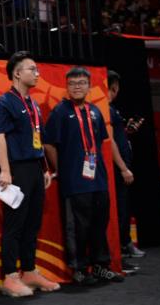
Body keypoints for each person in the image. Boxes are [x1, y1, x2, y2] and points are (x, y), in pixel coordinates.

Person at [44, 67, 123, 285]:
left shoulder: (96, 111)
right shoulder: (60, 112)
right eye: (72, 83)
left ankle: (101, 266)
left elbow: (101, 142)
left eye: (81, 83)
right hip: (74, 182)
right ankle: (79, 268)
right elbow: (48, 144)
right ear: (67, 87)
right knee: (77, 227)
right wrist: (62, 169)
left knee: (99, 224)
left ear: (89, 86)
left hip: (98, 180)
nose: (77, 87)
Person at [0, 51, 59, 297]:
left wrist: (45, 168)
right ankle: (10, 276)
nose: (37, 73)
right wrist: (5, 170)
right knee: (15, 224)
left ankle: (29, 271)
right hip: (17, 169)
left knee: (33, 223)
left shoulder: (34, 105)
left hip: (35, 169)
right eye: (32, 69)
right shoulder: (4, 103)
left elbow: (37, 139)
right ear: (17, 73)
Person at [107, 71, 146, 267]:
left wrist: (127, 130)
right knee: (119, 211)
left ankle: (124, 247)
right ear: (114, 88)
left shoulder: (113, 110)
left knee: (123, 209)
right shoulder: (104, 109)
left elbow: (117, 137)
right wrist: (123, 168)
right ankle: (120, 251)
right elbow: (110, 141)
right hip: (115, 169)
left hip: (120, 167)